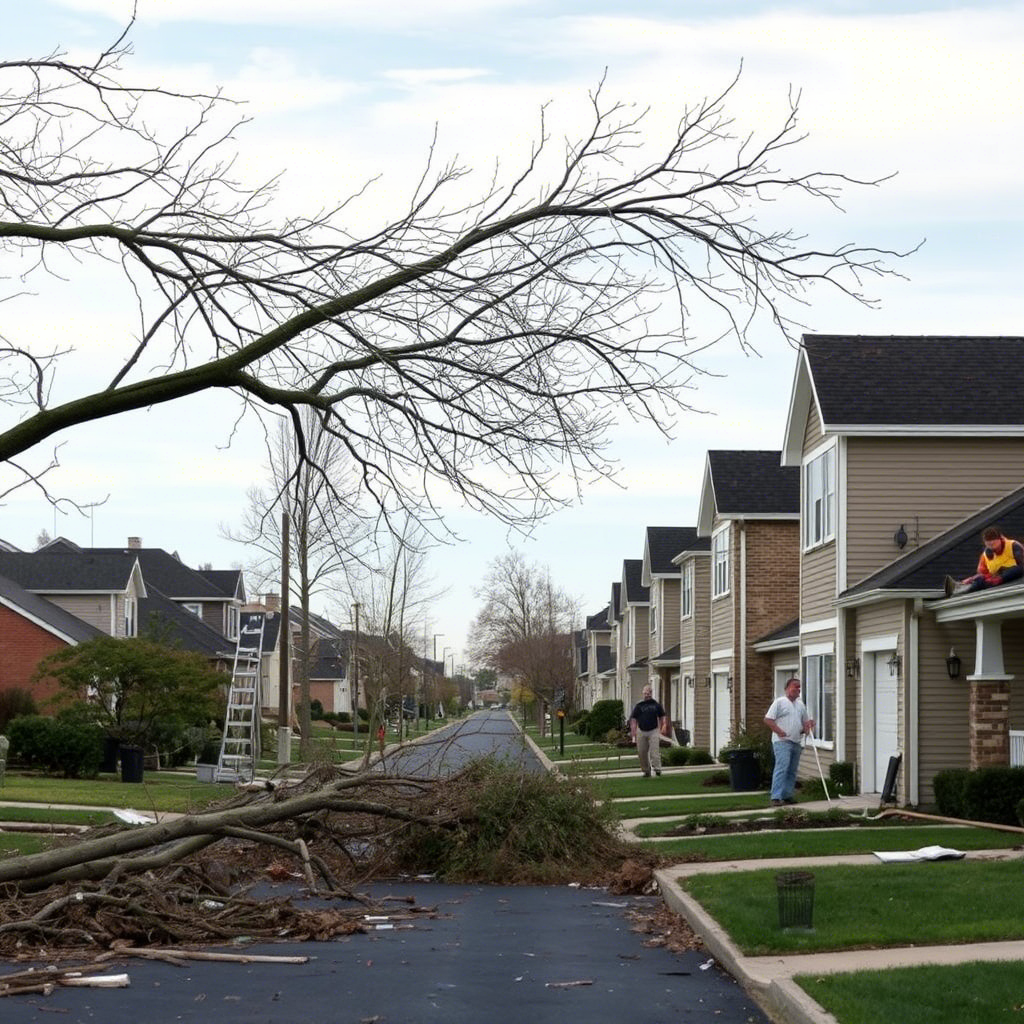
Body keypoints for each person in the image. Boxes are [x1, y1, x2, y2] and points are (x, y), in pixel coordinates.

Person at [763, 678, 814, 806]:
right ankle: (776, 797)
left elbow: (804, 726)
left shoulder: (801, 705)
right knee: (782, 767)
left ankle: (787, 795)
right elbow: (768, 719)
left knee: (792, 770)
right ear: (787, 689)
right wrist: (779, 731)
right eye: (794, 686)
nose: (797, 689)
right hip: (781, 742)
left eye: (799, 687)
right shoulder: (779, 702)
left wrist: (808, 726)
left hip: (796, 741)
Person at [944, 526, 1024, 597]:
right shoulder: (985, 555)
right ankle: (960, 586)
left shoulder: (1013, 546)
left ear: (1000, 539)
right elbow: (983, 573)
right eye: (989, 544)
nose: (992, 547)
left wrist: (1001, 577)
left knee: (1015, 569)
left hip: (1015, 576)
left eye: (994, 542)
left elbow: (1022, 567)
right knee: (980, 580)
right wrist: (971, 579)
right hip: (996, 579)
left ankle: (961, 589)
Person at [629, 684, 667, 778]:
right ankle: (646, 771)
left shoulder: (656, 705)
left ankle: (657, 769)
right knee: (642, 752)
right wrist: (633, 731)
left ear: (651, 693)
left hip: (653, 730)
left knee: (655, 751)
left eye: (649, 692)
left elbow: (662, 716)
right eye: (646, 693)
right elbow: (633, 719)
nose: (647, 694)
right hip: (641, 730)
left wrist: (663, 726)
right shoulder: (639, 705)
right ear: (643, 693)